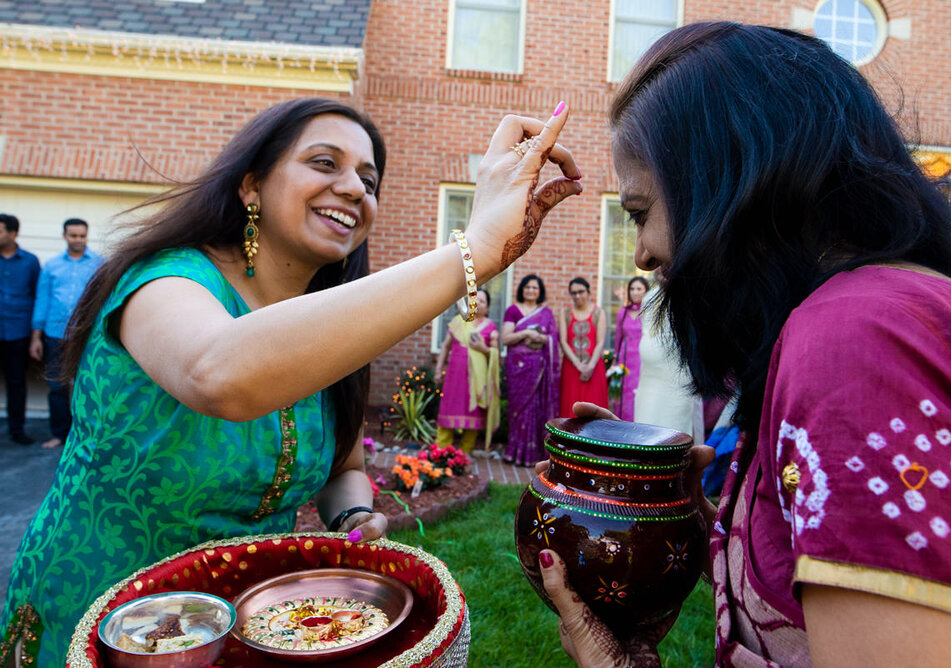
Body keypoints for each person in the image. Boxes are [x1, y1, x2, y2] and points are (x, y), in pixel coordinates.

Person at [0, 97, 582, 664]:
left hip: (255, 627)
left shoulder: (332, 323)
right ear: (251, 185)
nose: (356, 188)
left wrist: (352, 517)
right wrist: (474, 249)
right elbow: (219, 373)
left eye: (369, 179)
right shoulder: (166, 278)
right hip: (103, 621)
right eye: (325, 163)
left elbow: (345, 470)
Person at [527, 23, 951, 668]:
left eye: (639, 213)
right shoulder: (876, 313)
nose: (641, 255)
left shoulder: (854, 345)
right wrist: (712, 532)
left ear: (728, 184)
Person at [29, 218, 105, 449]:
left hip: (87, 335)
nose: (78, 240)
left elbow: (104, 300)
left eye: (82, 236)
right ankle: (59, 434)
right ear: (65, 236)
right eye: (73, 236)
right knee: (57, 386)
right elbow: (42, 300)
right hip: (55, 334)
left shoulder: (100, 264)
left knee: (89, 386)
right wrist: (36, 336)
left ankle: (86, 436)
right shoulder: (52, 266)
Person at [632, 283, 703, 442]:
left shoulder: (691, 295)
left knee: (672, 443)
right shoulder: (650, 297)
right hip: (648, 385)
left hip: (678, 389)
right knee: (643, 440)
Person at [502, 273, 560, 466]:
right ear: (522, 289)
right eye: (527, 287)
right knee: (518, 408)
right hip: (517, 367)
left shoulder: (545, 313)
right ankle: (515, 452)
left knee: (535, 408)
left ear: (540, 292)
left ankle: (532, 455)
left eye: (535, 288)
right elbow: (506, 338)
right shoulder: (513, 310)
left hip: (538, 368)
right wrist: (527, 332)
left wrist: (540, 338)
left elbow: (552, 339)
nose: (531, 290)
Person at [433, 288, 501, 453]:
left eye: (482, 301)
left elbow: (495, 353)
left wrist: (482, 348)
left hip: (477, 379)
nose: (477, 303)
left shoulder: (490, 327)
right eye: (475, 298)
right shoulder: (459, 321)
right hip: (455, 376)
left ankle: (463, 453)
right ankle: (440, 450)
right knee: (450, 408)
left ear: (488, 308)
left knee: (474, 412)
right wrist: (438, 369)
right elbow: (445, 346)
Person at [0, 213, 40, 446]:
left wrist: (35, 334)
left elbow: (36, 294)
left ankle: (17, 430)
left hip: (18, 331)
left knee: (17, 383)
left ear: (13, 233)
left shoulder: (30, 261)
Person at [558, 277, 608, 417]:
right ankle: (569, 440)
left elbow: (600, 342)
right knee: (570, 408)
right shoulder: (565, 313)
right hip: (571, 368)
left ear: (588, 292)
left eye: (581, 291)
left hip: (594, 369)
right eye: (573, 293)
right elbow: (563, 341)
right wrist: (579, 365)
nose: (577, 296)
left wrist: (590, 366)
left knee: (595, 409)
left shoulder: (598, 312)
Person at [612, 276, 648, 420]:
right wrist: (615, 363)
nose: (635, 292)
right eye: (632, 289)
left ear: (646, 291)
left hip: (642, 360)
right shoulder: (623, 312)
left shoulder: (649, 312)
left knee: (639, 396)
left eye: (639, 289)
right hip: (624, 361)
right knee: (623, 397)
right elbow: (618, 339)